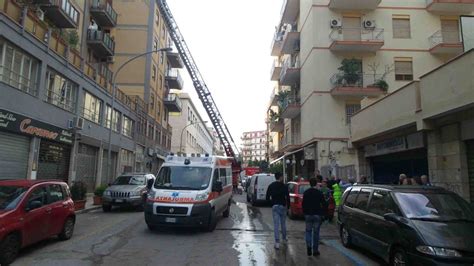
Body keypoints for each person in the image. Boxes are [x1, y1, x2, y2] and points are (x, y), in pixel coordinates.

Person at [302, 178, 328, 256]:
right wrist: (324, 214)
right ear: (316, 183)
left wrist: (305, 213)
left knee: (308, 231)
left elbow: (303, 204)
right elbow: (324, 204)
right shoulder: (319, 193)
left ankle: (309, 247)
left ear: (310, 184)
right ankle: (315, 250)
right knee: (316, 233)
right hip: (317, 214)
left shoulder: (306, 193)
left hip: (308, 215)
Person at [266, 172, 290, 250]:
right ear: (280, 177)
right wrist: (288, 206)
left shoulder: (271, 186)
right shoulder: (284, 186)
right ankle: (284, 238)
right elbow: (288, 197)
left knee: (276, 225)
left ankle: (277, 243)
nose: (283, 178)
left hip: (275, 206)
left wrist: (271, 204)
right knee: (283, 224)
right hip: (283, 206)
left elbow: (267, 197)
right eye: (282, 177)